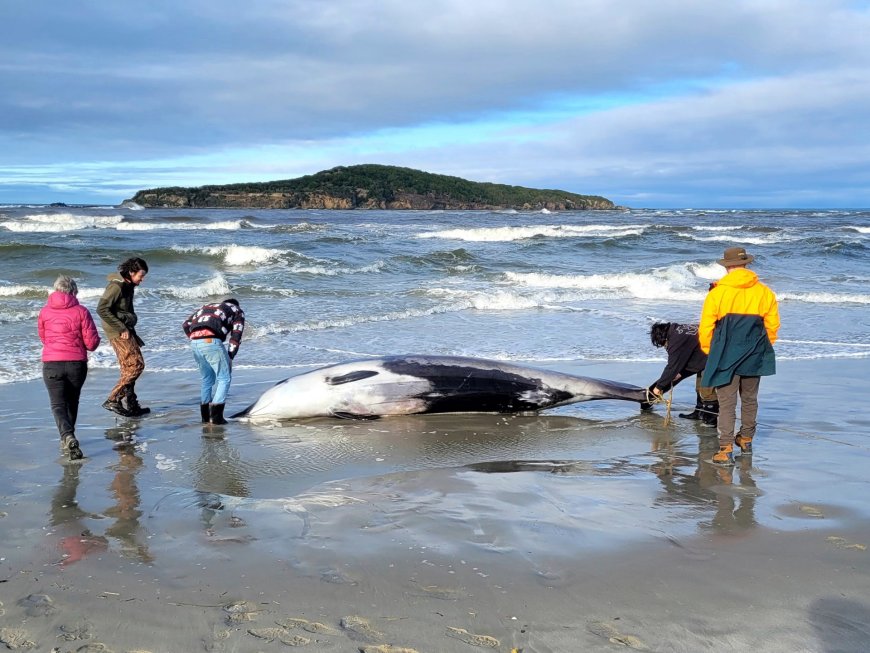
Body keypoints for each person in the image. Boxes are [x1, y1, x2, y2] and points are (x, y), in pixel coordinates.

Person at [700, 247, 780, 465]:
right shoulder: (765, 292)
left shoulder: (718, 292)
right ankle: (746, 439)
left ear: (727, 267)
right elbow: (772, 326)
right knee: (750, 399)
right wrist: (761, 346)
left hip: (725, 354)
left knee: (726, 402)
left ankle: (725, 449)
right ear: (746, 265)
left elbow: (706, 326)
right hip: (754, 352)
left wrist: (710, 351)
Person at [38, 274, 101, 460]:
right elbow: (91, 343)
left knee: (58, 404)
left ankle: (67, 436)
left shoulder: (44, 311)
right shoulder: (81, 311)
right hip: (76, 364)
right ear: (73, 291)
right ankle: (69, 436)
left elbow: (43, 338)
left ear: (56, 290)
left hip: (51, 363)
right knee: (72, 401)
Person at [97, 257, 149, 417]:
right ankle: (113, 399)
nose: (143, 279)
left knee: (128, 368)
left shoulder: (129, 285)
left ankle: (132, 404)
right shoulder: (117, 286)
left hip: (126, 329)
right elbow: (102, 309)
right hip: (118, 332)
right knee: (136, 366)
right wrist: (121, 328)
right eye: (141, 275)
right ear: (131, 272)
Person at [181, 297, 245, 425]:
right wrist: (230, 356)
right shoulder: (237, 310)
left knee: (207, 379)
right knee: (224, 378)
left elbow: (186, 324)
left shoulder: (208, 306)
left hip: (195, 343)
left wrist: (196, 338)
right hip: (211, 341)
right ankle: (216, 418)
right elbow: (236, 335)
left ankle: (205, 418)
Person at [648, 322, 718, 426]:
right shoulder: (678, 330)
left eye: (663, 344)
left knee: (706, 389)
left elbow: (672, 367)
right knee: (699, 387)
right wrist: (681, 373)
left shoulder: (676, 339)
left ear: (663, 337)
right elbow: (689, 357)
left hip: (715, 353)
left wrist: (658, 387)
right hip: (706, 352)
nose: (665, 346)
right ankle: (699, 412)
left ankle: (711, 418)